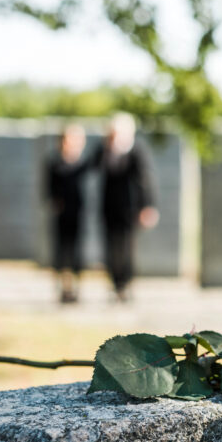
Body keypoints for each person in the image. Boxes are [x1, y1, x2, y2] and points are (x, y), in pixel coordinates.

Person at [97, 113, 158, 302]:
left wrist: (148, 206)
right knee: (110, 248)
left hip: (129, 208)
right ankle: (114, 284)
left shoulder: (136, 151)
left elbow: (145, 180)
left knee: (126, 248)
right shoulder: (104, 151)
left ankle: (125, 284)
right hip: (108, 207)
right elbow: (90, 167)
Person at [45, 124, 92, 303]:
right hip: (61, 215)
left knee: (77, 251)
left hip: (79, 213)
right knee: (61, 251)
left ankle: (76, 287)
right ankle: (63, 287)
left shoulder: (84, 164)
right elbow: (49, 189)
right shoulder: (54, 163)